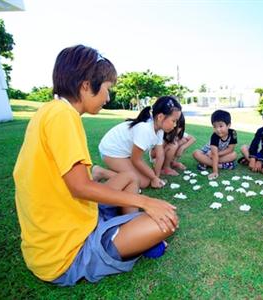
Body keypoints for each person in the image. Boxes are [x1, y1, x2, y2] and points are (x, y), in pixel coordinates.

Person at [13, 45, 178, 286]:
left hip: (72, 218)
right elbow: (80, 187)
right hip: (65, 253)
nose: (108, 98)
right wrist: (145, 201)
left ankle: (128, 230)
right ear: (86, 85)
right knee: (167, 220)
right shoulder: (63, 116)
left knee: (130, 179)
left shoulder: (50, 110)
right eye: (107, 89)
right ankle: (131, 237)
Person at [99, 96, 182, 189]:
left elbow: (160, 155)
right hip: (111, 152)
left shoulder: (159, 130)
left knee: (148, 176)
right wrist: (153, 178)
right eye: (173, 121)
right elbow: (136, 160)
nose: (175, 125)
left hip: (124, 153)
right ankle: (101, 172)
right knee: (144, 182)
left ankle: (121, 170)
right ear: (160, 117)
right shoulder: (145, 129)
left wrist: (156, 177)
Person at [192, 109, 238, 180]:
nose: (218, 129)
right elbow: (214, 154)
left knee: (234, 154)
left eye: (220, 126)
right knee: (196, 153)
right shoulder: (215, 136)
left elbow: (230, 149)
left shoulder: (233, 133)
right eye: (214, 126)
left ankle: (206, 163)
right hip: (208, 153)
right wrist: (215, 171)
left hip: (219, 154)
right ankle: (221, 166)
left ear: (228, 125)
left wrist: (218, 154)